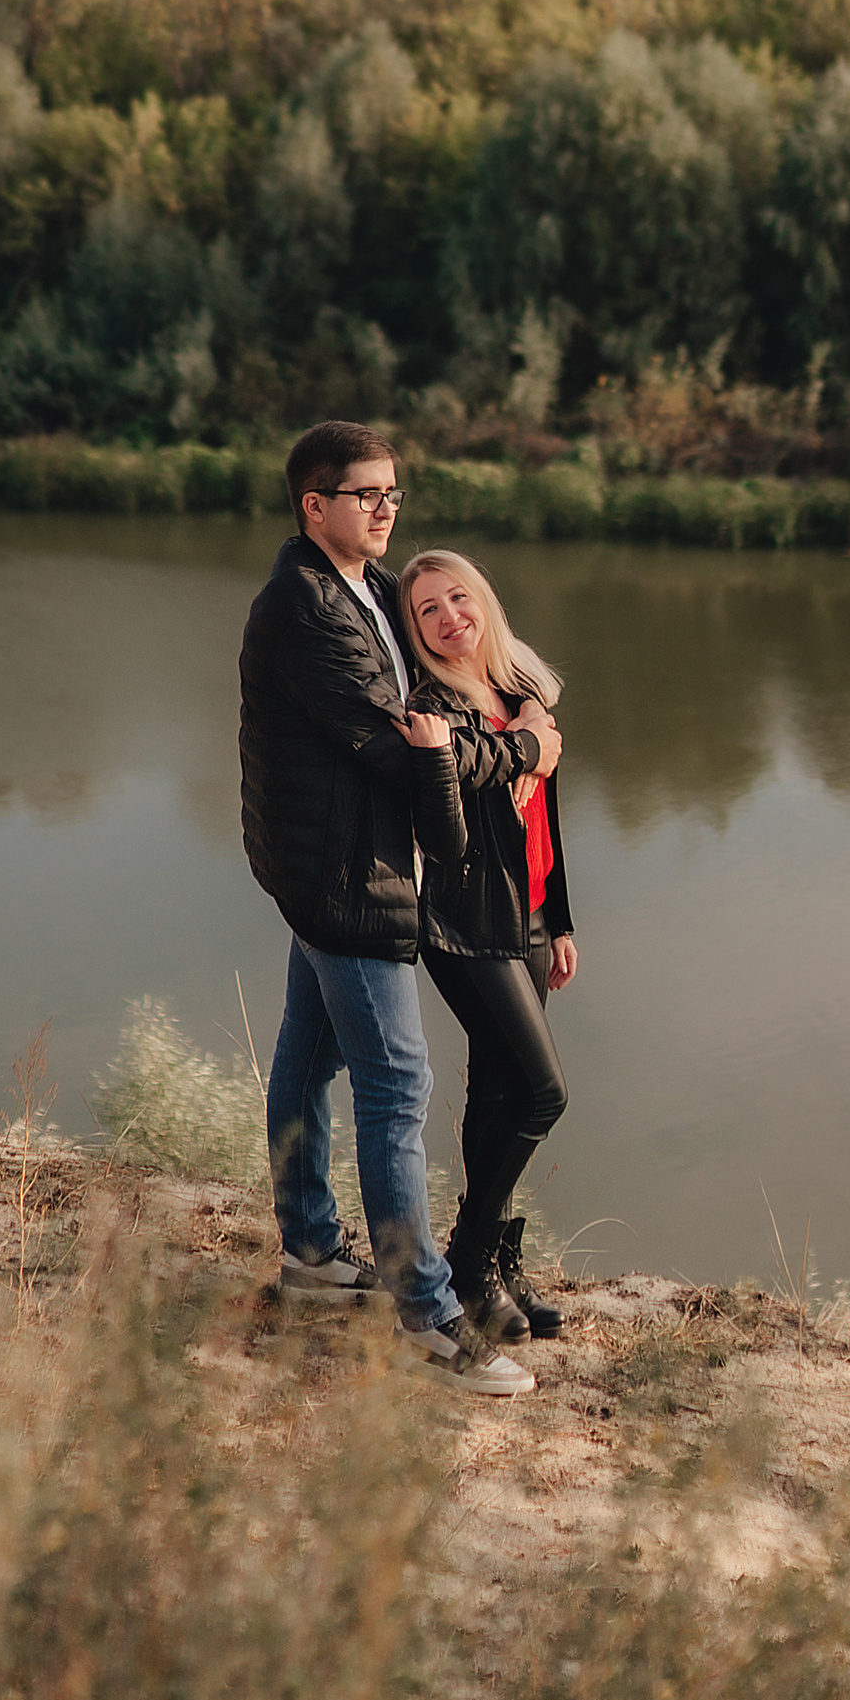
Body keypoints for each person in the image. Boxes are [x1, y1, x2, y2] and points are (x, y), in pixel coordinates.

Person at [240, 422, 539, 1394]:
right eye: (363, 494)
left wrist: (471, 738)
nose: (383, 509)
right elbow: (403, 750)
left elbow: (432, 735)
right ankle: (425, 1310)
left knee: (306, 1057)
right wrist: (526, 750)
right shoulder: (303, 610)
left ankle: (314, 1254)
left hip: (327, 861)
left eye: (391, 494)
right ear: (311, 505)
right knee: (398, 1087)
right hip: (342, 879)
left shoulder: (360, 589)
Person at [397, 549, 575, 1346]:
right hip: (468, 925)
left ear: (485, 603)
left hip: (530, 917)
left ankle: (497, 1264)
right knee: (544, 1094)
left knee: (498, 1092)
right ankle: (470, 1261)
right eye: (428, 610)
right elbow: (450, 829)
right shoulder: (440, 707)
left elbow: (548, 822)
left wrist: (561, 921)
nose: (448, 618)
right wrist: (520, 748)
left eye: (458, 598)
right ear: (416, 630)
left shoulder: (521, 694)